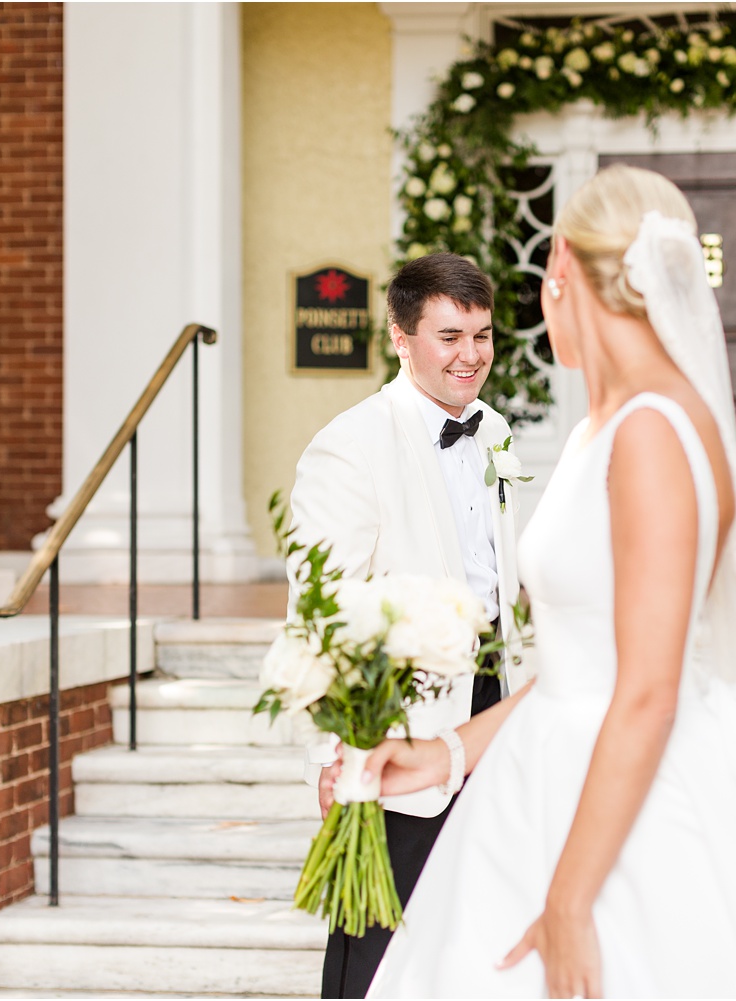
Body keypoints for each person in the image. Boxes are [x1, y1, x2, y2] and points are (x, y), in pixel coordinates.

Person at [352, 166, 736, 998]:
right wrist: (444, 753)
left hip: (635, 807)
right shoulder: (600, 429)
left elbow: (647, 690)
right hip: (542, 775)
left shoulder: (653, 429)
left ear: (563, 269)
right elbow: (581, 666)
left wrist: (571, 900)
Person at [285, 252, 524, 999]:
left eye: (482, 336)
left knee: (479, 925)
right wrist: (338, 749)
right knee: (378, 937)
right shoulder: (350, 445)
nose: (471, 356)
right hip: (397, 727)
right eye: (450, 336)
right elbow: (322, 611)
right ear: (401, 336)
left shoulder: (496, 433)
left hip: (496, 711)